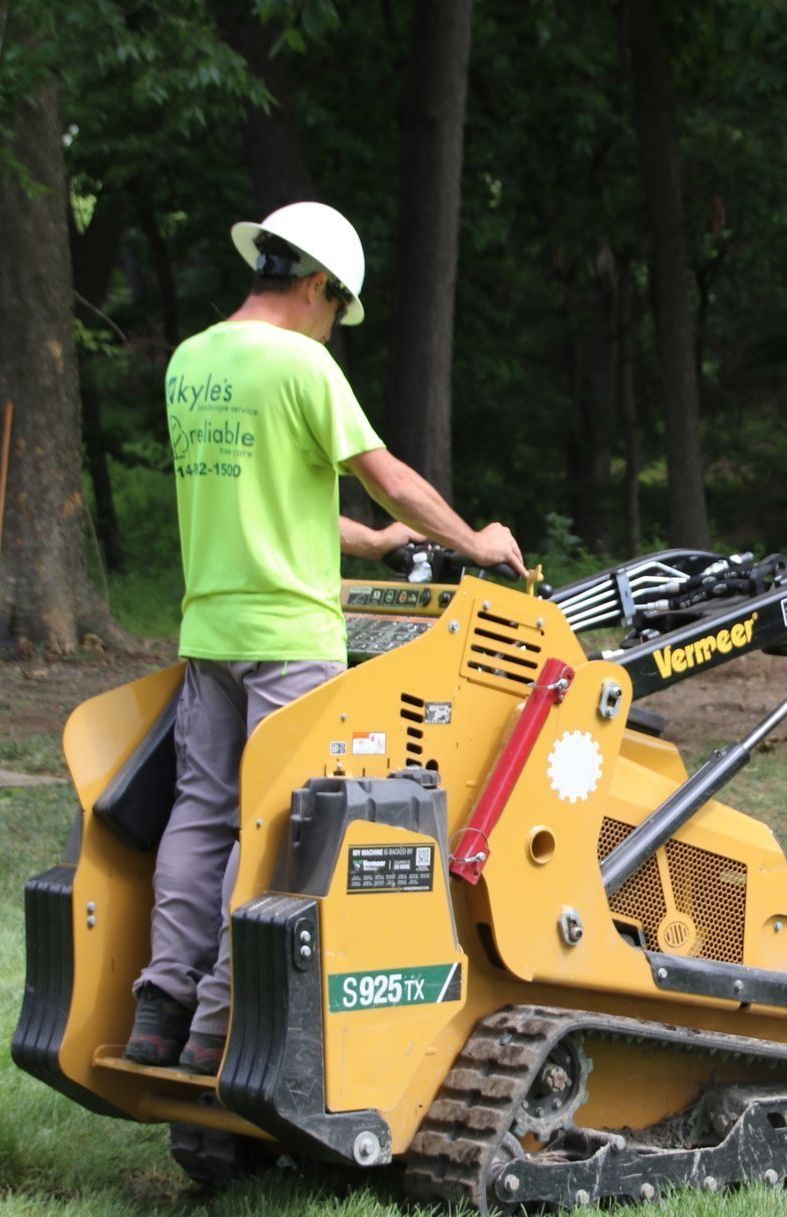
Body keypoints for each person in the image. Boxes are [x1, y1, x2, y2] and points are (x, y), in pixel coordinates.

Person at [126, 201, 524, 1073]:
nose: (333, 329)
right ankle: (220, 1026)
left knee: (203, 814)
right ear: (318, 287)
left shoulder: (191, 362)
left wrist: (372, 545)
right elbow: (388, 479)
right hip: (289, 636)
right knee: (274, 825)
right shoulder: (303, 368)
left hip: (210, 631)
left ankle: (161, 1006)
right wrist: (475, 541)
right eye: (338, 312)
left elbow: (260, 495)